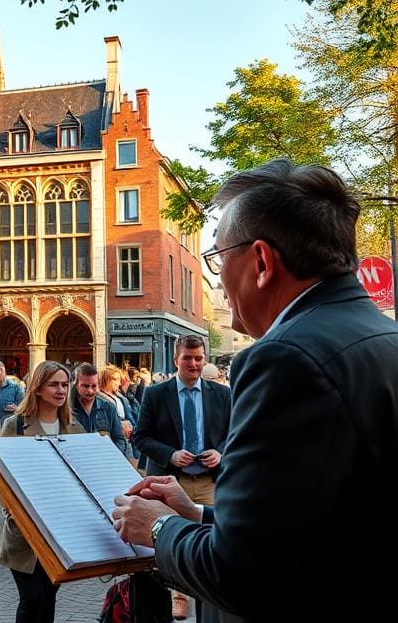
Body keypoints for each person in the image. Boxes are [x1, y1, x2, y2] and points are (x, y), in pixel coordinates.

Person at [112, 159, 398, 622]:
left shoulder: (285, 358)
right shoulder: (383, 337)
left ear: (261, 262)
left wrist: (159, 527)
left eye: (220, 258)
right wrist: (196, 514)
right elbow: (312, 529)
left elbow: (243, 571)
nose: (219, 281)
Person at [129, 335, 231, 619]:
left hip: (210, 481)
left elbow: (235, 433)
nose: (194, 364)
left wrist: (220, 452)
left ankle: (207, 599)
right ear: (176, 360)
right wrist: (170, 455)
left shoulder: (221, 394)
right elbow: (141, 437)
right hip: (172, 481)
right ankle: (179, 596)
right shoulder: (156, 394)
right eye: (188, 358)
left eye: (199, 358)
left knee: (213, 538)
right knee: (173, 535)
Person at [0, 361, 85, 623]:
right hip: (25, 528)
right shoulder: (14, 426)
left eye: (65, 385)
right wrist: (13, 511)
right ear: (37, 388)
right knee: (32, 597)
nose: (61, 390)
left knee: (49, 594)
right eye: (53, 384)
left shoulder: (75, 428)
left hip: (61, 529)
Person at [70, 362, 127, 453]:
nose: (90, 391)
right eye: (85, 386)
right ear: (76, 385)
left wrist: (112, 456)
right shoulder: (66, 409)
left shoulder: (108, 408)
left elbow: (120, 439)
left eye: (94, 386)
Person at [0, 360, 24, 427]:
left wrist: (17, 409)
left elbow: (24, 410)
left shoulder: (16, 388)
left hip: (11, 428)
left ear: (1, 370)